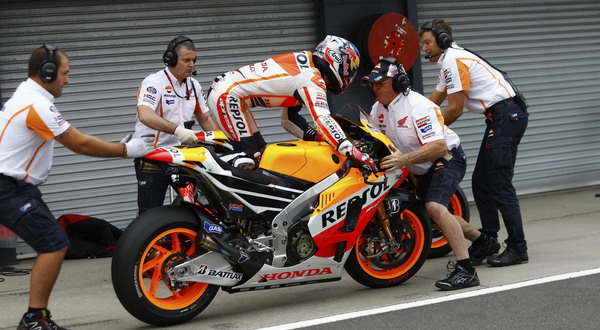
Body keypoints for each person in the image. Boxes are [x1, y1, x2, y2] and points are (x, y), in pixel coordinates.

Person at [0, 45, 154, 330]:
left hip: (15, 187)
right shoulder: (37, 104)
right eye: (65, 73)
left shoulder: (26, 95)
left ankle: (36, 319)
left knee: (53, 243)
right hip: (9, 188)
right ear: (48, 73)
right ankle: (34, 320)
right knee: (54, 245)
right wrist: (127, 149)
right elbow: (78, 143)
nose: (68, 80)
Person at [363, 57, 482, 290]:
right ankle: (482, 241)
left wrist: (403, 160)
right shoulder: (377, 109)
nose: (375, 88)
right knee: (434, 215)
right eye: (372, 84)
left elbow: (439, 146)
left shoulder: (419, 106)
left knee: (435, 208)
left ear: (398, 83)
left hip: (446, 159)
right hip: (419, 166)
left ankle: (467, 271)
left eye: (380, 83)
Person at [419, 19, 529, 267]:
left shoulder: (454, 61)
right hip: (500, 118)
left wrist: (428, 135)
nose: (423, 48)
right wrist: (415, 123)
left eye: (427, 42)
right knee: (482, 182)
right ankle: (487, 241)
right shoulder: (448, 63)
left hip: (507, 116)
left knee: (499, 183)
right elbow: (431, 106)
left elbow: (455, 109)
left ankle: (517, 248)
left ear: (442, 40)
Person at [206, 35, 375, 170]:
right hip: (228, 95)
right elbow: (323, 119)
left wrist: (317, 138)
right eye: (350, 69)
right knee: (248, 157)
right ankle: (203, 160)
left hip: (231, 94)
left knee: (263, 156)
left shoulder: (305, 66)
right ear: (340, 61)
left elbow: (289, 119)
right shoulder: (312, 80)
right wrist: (349, 148)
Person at [133, 36, 220, 214]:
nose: (191, 64)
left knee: (193, 207)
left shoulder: (194, 86)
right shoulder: (154, 82)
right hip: (152, 156)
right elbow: (145, 114)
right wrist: (177, 130)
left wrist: (224, 143)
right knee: (150, 214)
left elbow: (205, 119)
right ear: (170, 60)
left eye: (194, 60)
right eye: (186, 60)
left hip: (181, 156)